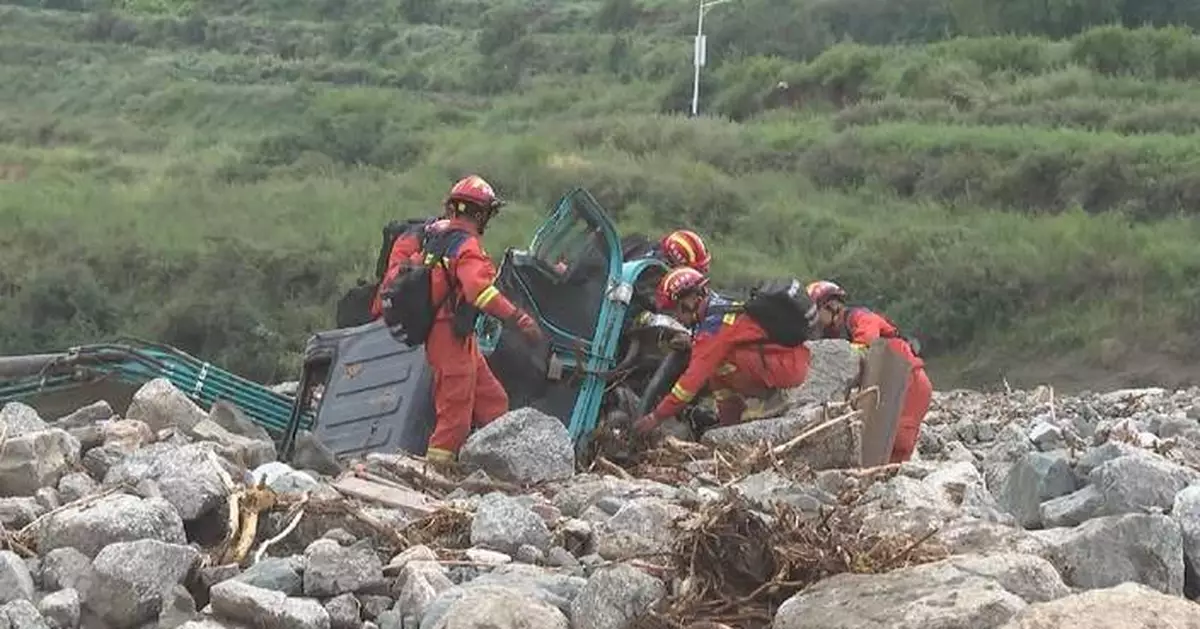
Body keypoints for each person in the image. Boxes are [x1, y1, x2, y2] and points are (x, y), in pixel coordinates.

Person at [385, 175, 544, 464]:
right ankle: (434, 477)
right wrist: (519, 319)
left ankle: (501, 462)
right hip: (448, 336)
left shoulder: (437, 239)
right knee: (454, 419)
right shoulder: (466, 247)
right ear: (481, 213)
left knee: (493, 400)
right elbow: (478, 291)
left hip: (457, 335)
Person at [633, 268, 814, 434]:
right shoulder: (721, 308)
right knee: (718, 366)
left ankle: (770, 401)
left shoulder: (713, 328)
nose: (677, 317)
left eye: (675, 310)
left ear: (690, 300)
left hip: (786, 370)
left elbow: (688, 385)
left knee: (716, 364)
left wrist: (656, 417)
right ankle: (731, 422)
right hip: (786, 361)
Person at [806, 280, 931, 463]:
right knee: (870, 438)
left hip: (909, 380)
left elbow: (866, 343)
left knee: (899, 441)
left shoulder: (858, 317)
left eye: (815, 312)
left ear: (831, 306)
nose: (812, 320)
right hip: (883, 384)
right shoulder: (831, 333)